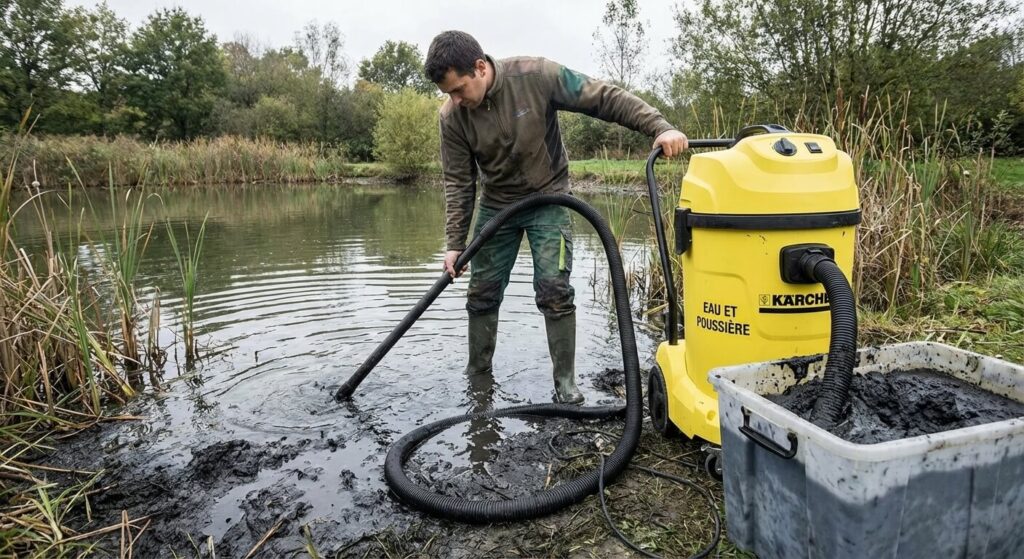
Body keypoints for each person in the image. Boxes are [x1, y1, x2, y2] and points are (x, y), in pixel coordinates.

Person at [424, 30, 688, 405]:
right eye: (448, 93)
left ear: (480, 68)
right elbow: (458, 181)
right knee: (481, 293)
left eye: (459, 89)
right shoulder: (452, 116)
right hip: (497, 205)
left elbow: (603, 97)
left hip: (549, 196)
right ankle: (477, 382)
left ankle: (565, 386)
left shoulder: (537, 75)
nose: (455, 100)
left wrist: (660, 127)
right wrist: (454, 244)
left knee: (554, 290)